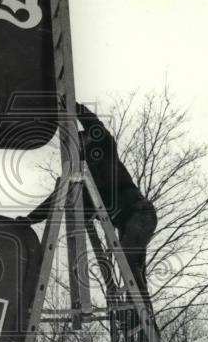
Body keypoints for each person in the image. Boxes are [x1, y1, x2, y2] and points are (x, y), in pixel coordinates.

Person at [26, 103, 157, 299]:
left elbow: (94, 125)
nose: (79, 147)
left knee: (130, 267)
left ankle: (137, 314)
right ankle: (139, 320)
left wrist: (73, 105)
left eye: (82, 141)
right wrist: (29, 219)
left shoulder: (104, 147)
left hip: (139, 213)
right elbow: (57, 199)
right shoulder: (88, 185)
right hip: (130, 221)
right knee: (134, 269)